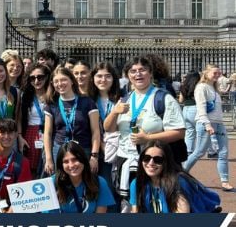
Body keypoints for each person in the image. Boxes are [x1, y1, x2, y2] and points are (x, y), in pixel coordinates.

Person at [103, 56, 186, 212]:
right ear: (127, 75)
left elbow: (179, 132)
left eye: (142, 70)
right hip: (127, 160)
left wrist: (148, 138)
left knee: (156, 202)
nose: (138, 74)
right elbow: (108, 127)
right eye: (133, 71)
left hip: (153, 162)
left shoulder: (163, 98)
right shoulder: (125, 98)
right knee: (130, 204)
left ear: (150, 73)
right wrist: (114, 112)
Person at [182, 64, 232, 191]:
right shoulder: (201, 87)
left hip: (219, 123)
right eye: (215, 73)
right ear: (206, 73)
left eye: (218, 73)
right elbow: (201, 108)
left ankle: (225, 181)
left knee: (224, 152)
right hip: (205, 123)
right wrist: (207, 124)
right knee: (199, 151)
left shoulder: (214, 88)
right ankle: (181, 172)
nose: (217, 75)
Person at [43, 66, 100, 175]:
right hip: (59, 150)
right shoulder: (52, 105)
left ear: (72, 81)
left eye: (64, 80)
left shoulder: (88, 102)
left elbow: (95, 132)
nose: (60, 84)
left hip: (83, 149)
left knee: (85, 183)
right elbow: (47, 133)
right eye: (56, 81)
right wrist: (49, 158)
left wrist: (94, 156)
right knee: (61, 184)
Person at [93, 62, 122, 208]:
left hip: (118, 150)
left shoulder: (122, 98)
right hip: (98, 150)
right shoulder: (90, 99)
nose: (103, 80)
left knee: (115, 187)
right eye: (99, 76)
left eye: (107, 76)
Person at [17, 63, 53, 177]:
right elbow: (19, 118)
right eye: (32, 78)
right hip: (31, 134)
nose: (36, 81)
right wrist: (19, 135)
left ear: (47, 77)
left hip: (50, 133)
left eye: (40, 77)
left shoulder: (53, 95)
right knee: (32, 168)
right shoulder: (25, 96)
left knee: (48, 168)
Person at [179, 71, 200, 155]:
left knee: (189, 131)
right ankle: (210, 151)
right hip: (195, 108)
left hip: (185, 109)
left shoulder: (183, 86)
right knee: (201, 131)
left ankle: (188, 150)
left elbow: (180, 100)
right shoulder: (198, 86)